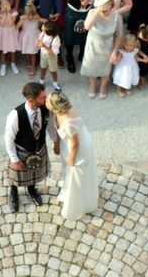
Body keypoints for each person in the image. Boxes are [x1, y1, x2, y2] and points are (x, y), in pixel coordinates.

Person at [4, 82, 60, 213]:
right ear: (31, 100)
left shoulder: (46, 108)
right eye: (42, 97)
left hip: (39, 147)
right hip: (22, 151)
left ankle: (31, 189)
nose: (46, 99)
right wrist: (14, 159)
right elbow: (8, 138)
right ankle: (13, 194)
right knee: (16, 175)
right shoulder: (15, 115)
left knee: (34, 172)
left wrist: (56, 142)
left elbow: (51, 127)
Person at [46, 91, 98, 221]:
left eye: (47, 101)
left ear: (54, 106)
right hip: (67, 144)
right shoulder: (59, 111)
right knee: (68, 173)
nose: (45, 102)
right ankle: (67, 191)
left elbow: (75, 144)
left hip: (78, 150)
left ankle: (77, 205)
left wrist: (71, 158)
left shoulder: (69, 122)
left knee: (76, 176)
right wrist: (57, 144)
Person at [81, 0, 124, 99]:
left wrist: (115, 51)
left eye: (107, 4)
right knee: (92, 66)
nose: (105, 7)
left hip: (108, 45)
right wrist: (97, 11)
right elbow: (86, 26)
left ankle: (103, 86)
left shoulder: (117, 16)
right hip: (93, 45)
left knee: (106, 67)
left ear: (111, 4)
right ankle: (92, 85)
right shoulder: (92, 12)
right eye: (102, 3)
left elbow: (119, 35)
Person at [111, 33, 148, 97]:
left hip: (132, 66)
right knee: (121, 77)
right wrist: (114, 62)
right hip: (123, 67)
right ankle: (119, 89)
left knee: (130, 77)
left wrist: (143, 60)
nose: (129, 47)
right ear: (124, 44)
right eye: (127, 45)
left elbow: (136, 58)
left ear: (134, 45)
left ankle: (128, 88)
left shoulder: (134, 51)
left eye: (131, 45)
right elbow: (117, 60)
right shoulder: (122, 51)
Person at [0, 0, 20, 76]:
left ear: (11, 4)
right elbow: (2, 24)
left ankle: (13, 63)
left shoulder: (14, 12)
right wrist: (3, 13)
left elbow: (11, 24)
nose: (5, 6)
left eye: (7, 4)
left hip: (11, 33)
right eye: (3, 5)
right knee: (3, 50)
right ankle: (3, 65)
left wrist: (8, 13)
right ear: (0, 6)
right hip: (3, 33)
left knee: (12, 50)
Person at [18, 0, 46, 77]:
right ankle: (29, 64)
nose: (30, 17)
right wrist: (22, 20)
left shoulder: (36, 18)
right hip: (26, 38)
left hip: (34, 38)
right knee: (27, 53)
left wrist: (38, 18)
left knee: (33, 53)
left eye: (32, 15)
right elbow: (17, 26)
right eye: (28, 15)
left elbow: (45, 21)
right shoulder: (22, 18)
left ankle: (33, 67)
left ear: (34, 14)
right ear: (25, 13)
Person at [37, 20, 62, 91]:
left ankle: (55, 83)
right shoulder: (42, 34)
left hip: (52, 56)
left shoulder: (55, 40)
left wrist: (44, 46)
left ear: (48, 32)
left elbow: (54, 53)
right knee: (43, 68)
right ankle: (41, 81)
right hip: (43, 54)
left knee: (53, 70)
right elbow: (39, 40)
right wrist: (38, 43)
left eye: (43, 28)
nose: (42, 27)